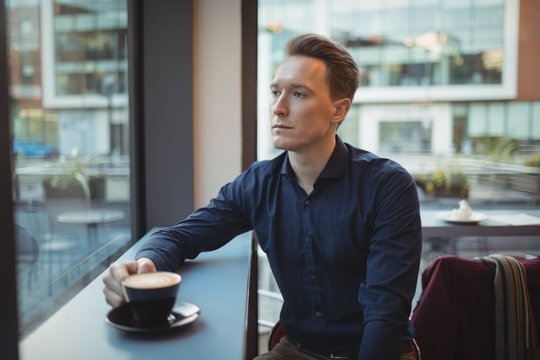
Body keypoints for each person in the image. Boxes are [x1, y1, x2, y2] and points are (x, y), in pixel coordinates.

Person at [103, 33, 422, 360]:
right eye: (275, 92)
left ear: (338, 111)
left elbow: (385, 313)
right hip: (297, 350)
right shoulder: (258, 183)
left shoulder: (387, 185)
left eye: (298, 94)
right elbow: (181, 236)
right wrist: (145, 263)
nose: (279, 108)